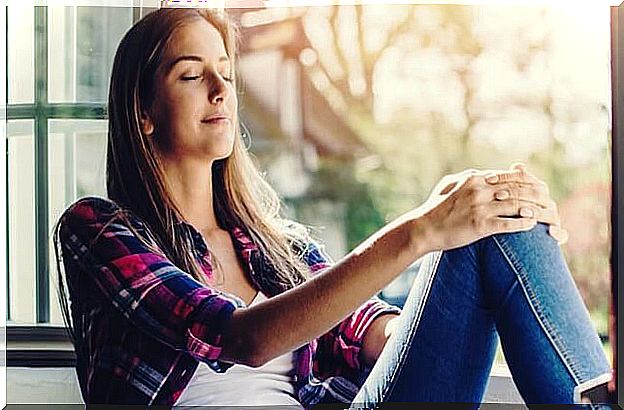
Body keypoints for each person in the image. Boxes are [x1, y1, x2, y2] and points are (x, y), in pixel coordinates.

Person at [53, 7, 612, 409]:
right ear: (143, 111)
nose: (222, 89)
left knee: (491, 213)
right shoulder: (100, 231)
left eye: (226, 70)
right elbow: (240, 338)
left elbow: (367, 329)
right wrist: (419, 230)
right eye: (192, 74)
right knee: (458, 215)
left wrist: (458, 289)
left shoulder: (280, 246)